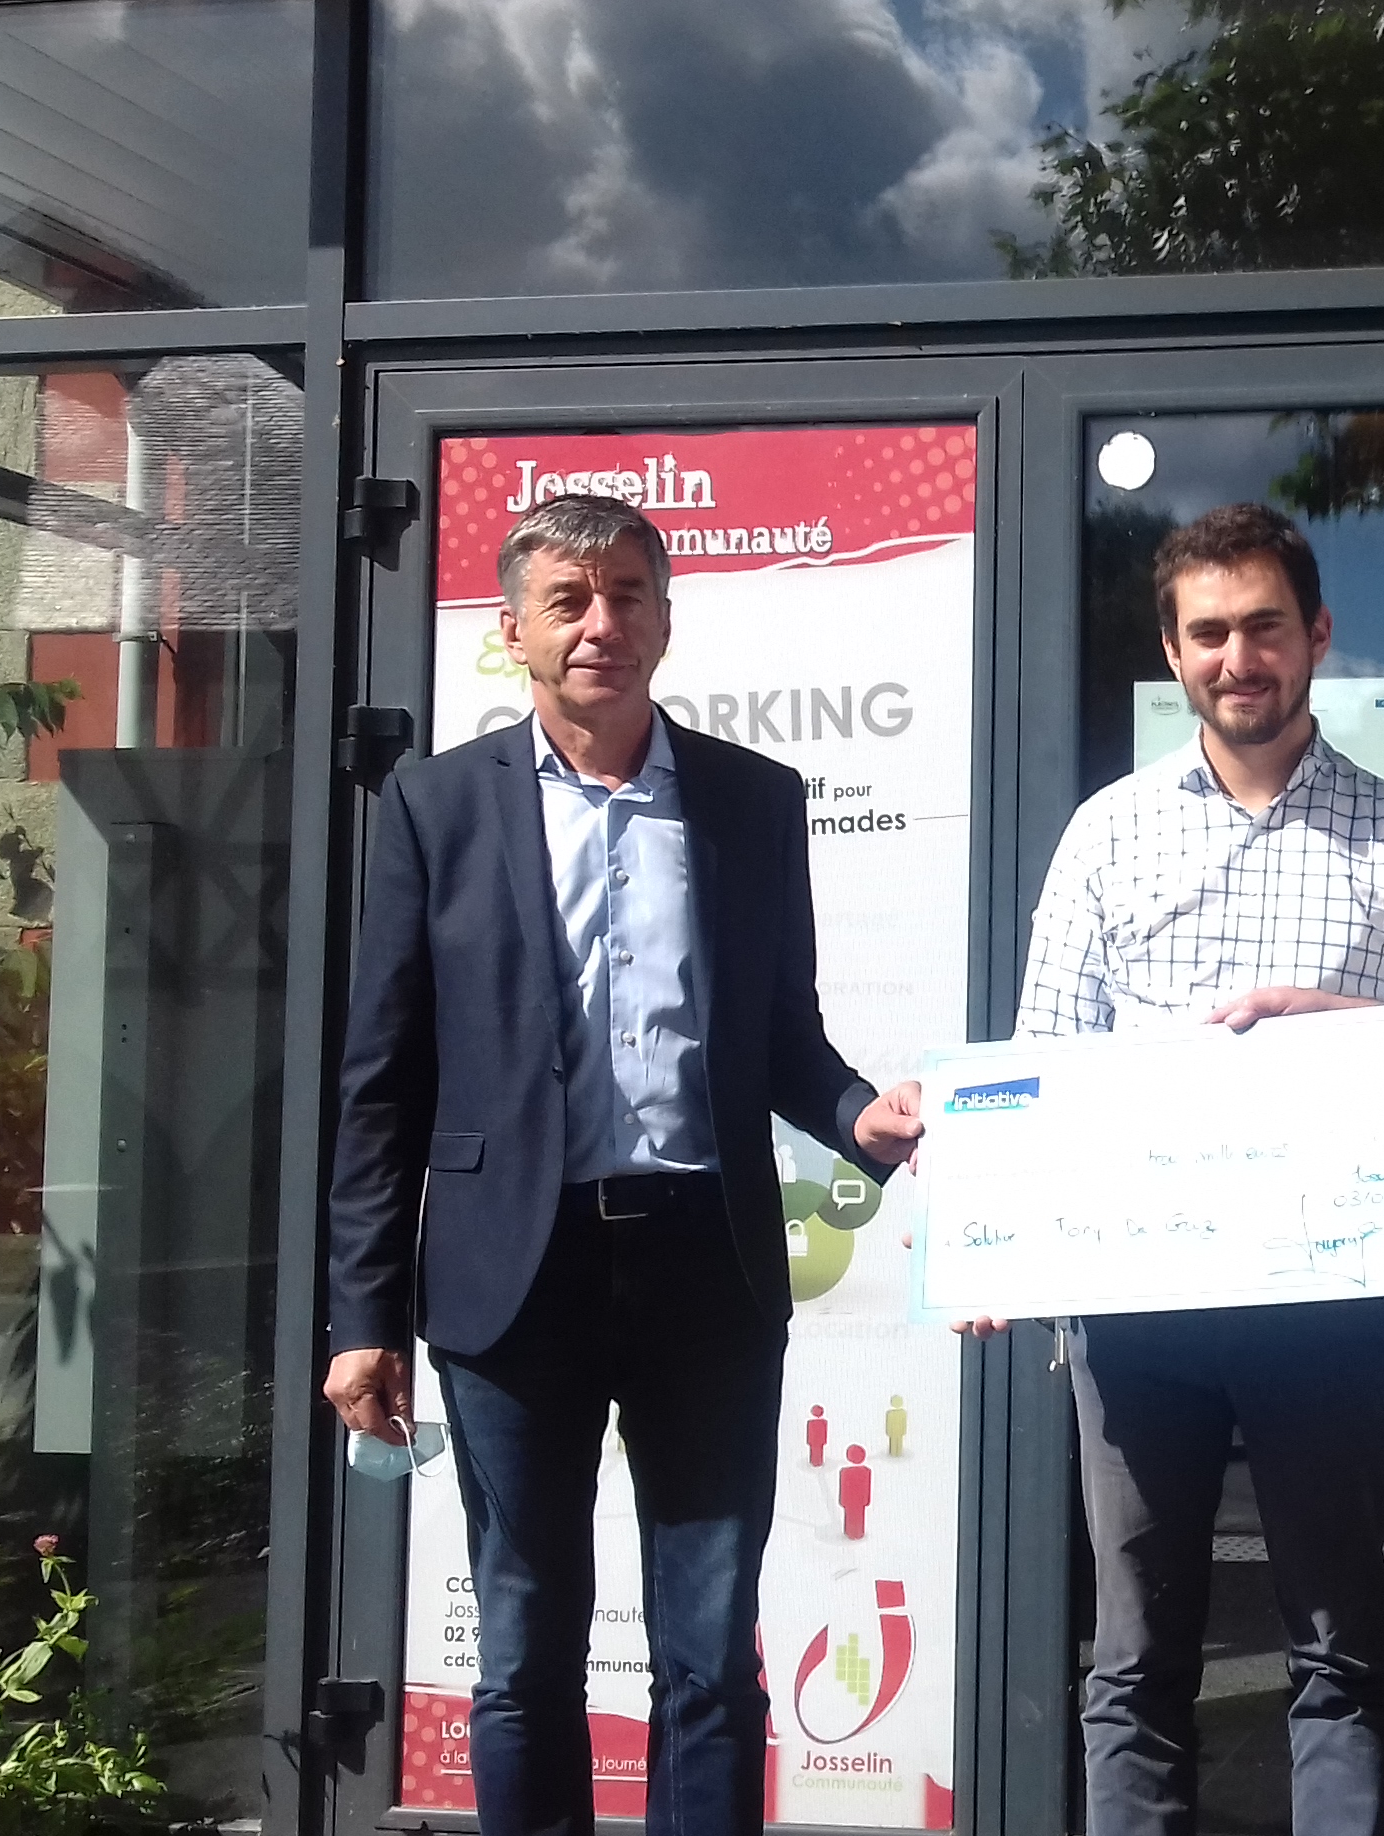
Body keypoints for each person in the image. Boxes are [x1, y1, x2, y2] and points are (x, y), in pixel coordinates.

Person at [871, 502, 1384, 1836]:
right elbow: (1043, 1063)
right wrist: (980, 1232)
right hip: (1136, 1320)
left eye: (1265, 626)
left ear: (1316, 635)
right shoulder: (1105, 837)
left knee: (1339, 1648)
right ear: (1173, 653)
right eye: (1209, 633)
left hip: (1330, 1311)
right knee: (1136, 1658)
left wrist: (1349, 1029)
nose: (1239, 657)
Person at [322, 493, 919, 1836]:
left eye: (629, 595)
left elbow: (783, 1036)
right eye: (570, 601)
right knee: (527, 1644)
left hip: (704, 1265)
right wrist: (364, 1317)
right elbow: (381, 1084)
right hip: (509, 1276)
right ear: (513, 631)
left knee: (710, 1650)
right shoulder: (434, 806)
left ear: (664, 619)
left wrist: (857, 1116)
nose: (602, 624)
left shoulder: (752, 801)